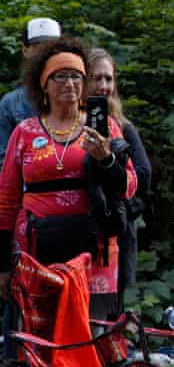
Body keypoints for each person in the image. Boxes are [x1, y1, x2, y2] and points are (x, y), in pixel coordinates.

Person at [0, 37, 137, 319]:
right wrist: (2, 264)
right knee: (41, 330)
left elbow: (130, 185)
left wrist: (106, 159)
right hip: (35, 248)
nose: (69, 84)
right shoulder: (25, 132)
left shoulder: (105, 127)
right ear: (44, 84)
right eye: (60, 76)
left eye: (76, 76)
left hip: (93, 249)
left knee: (91, 331)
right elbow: (6, 198)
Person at [86, 48, 152, 309]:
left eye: (108, 79)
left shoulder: (122, 127)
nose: (103, 86)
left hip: (116, 234)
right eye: (96, 78)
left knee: (110, 313)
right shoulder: (60, 127)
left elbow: (144, 177)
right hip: (74, 234)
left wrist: (121, 212)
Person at [0, 17, 62, 165]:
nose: (45, 53)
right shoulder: (11, 104)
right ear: (25, 50)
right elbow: (3, 159)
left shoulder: (74, 95)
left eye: (51, 47)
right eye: (38, 46)